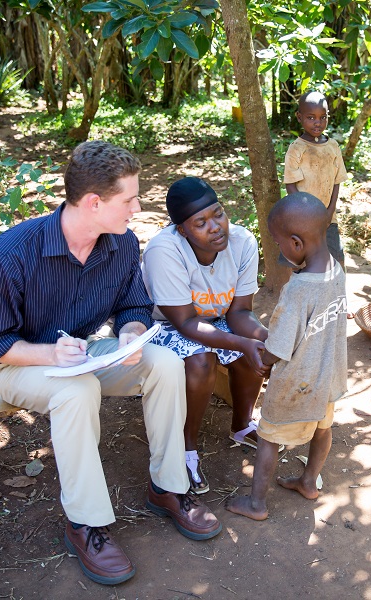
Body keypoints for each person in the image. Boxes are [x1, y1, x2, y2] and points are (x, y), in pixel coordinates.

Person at [0, 142, 221, 587]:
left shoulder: (121, 243)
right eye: (128, 200)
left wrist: (129, 332)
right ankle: (86, 524)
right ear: (93, 203)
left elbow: (134, 304)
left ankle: (168, 487)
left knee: (164, 361)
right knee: (77, 389)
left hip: (85, 354)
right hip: (21, 364)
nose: (137, 207)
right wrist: (50, 354)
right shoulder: (11, 253)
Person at [141, 176, 269, 496]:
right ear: (182, 230)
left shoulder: (242, 242)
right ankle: (186, 448)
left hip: (213, 319)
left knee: (256, 352)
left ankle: (242, 425)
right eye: (200, 222)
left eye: (218, 214)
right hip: (163, 322)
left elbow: (239, 313)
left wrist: (266, 340)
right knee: (201, 360)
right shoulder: (164, 250)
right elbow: (184, 322)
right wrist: (241, 342)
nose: (216, 227)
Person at [226, 192, 348, 521]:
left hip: (296, 384)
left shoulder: (297, 291)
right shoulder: (337, 269)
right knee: (323, 429)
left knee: (268, 438)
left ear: (295, 243)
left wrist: (258, 358)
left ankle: (256, 504)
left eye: (279, 244)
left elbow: (277, 349)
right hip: (329, 378)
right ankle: (309, 482)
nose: (279, 250)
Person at [283, 90, 349, 269]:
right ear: (299, 117)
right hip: (302, 218)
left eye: (323, 117)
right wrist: (307, 216)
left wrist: (329, 212)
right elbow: (291, 186)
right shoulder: (297, 149)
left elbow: (336, 181)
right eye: (311, 118)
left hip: (328, 218)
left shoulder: (333, 146)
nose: (318, 123)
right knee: (300, 262)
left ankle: (337, 295)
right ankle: (299, 294)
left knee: (337, 259)